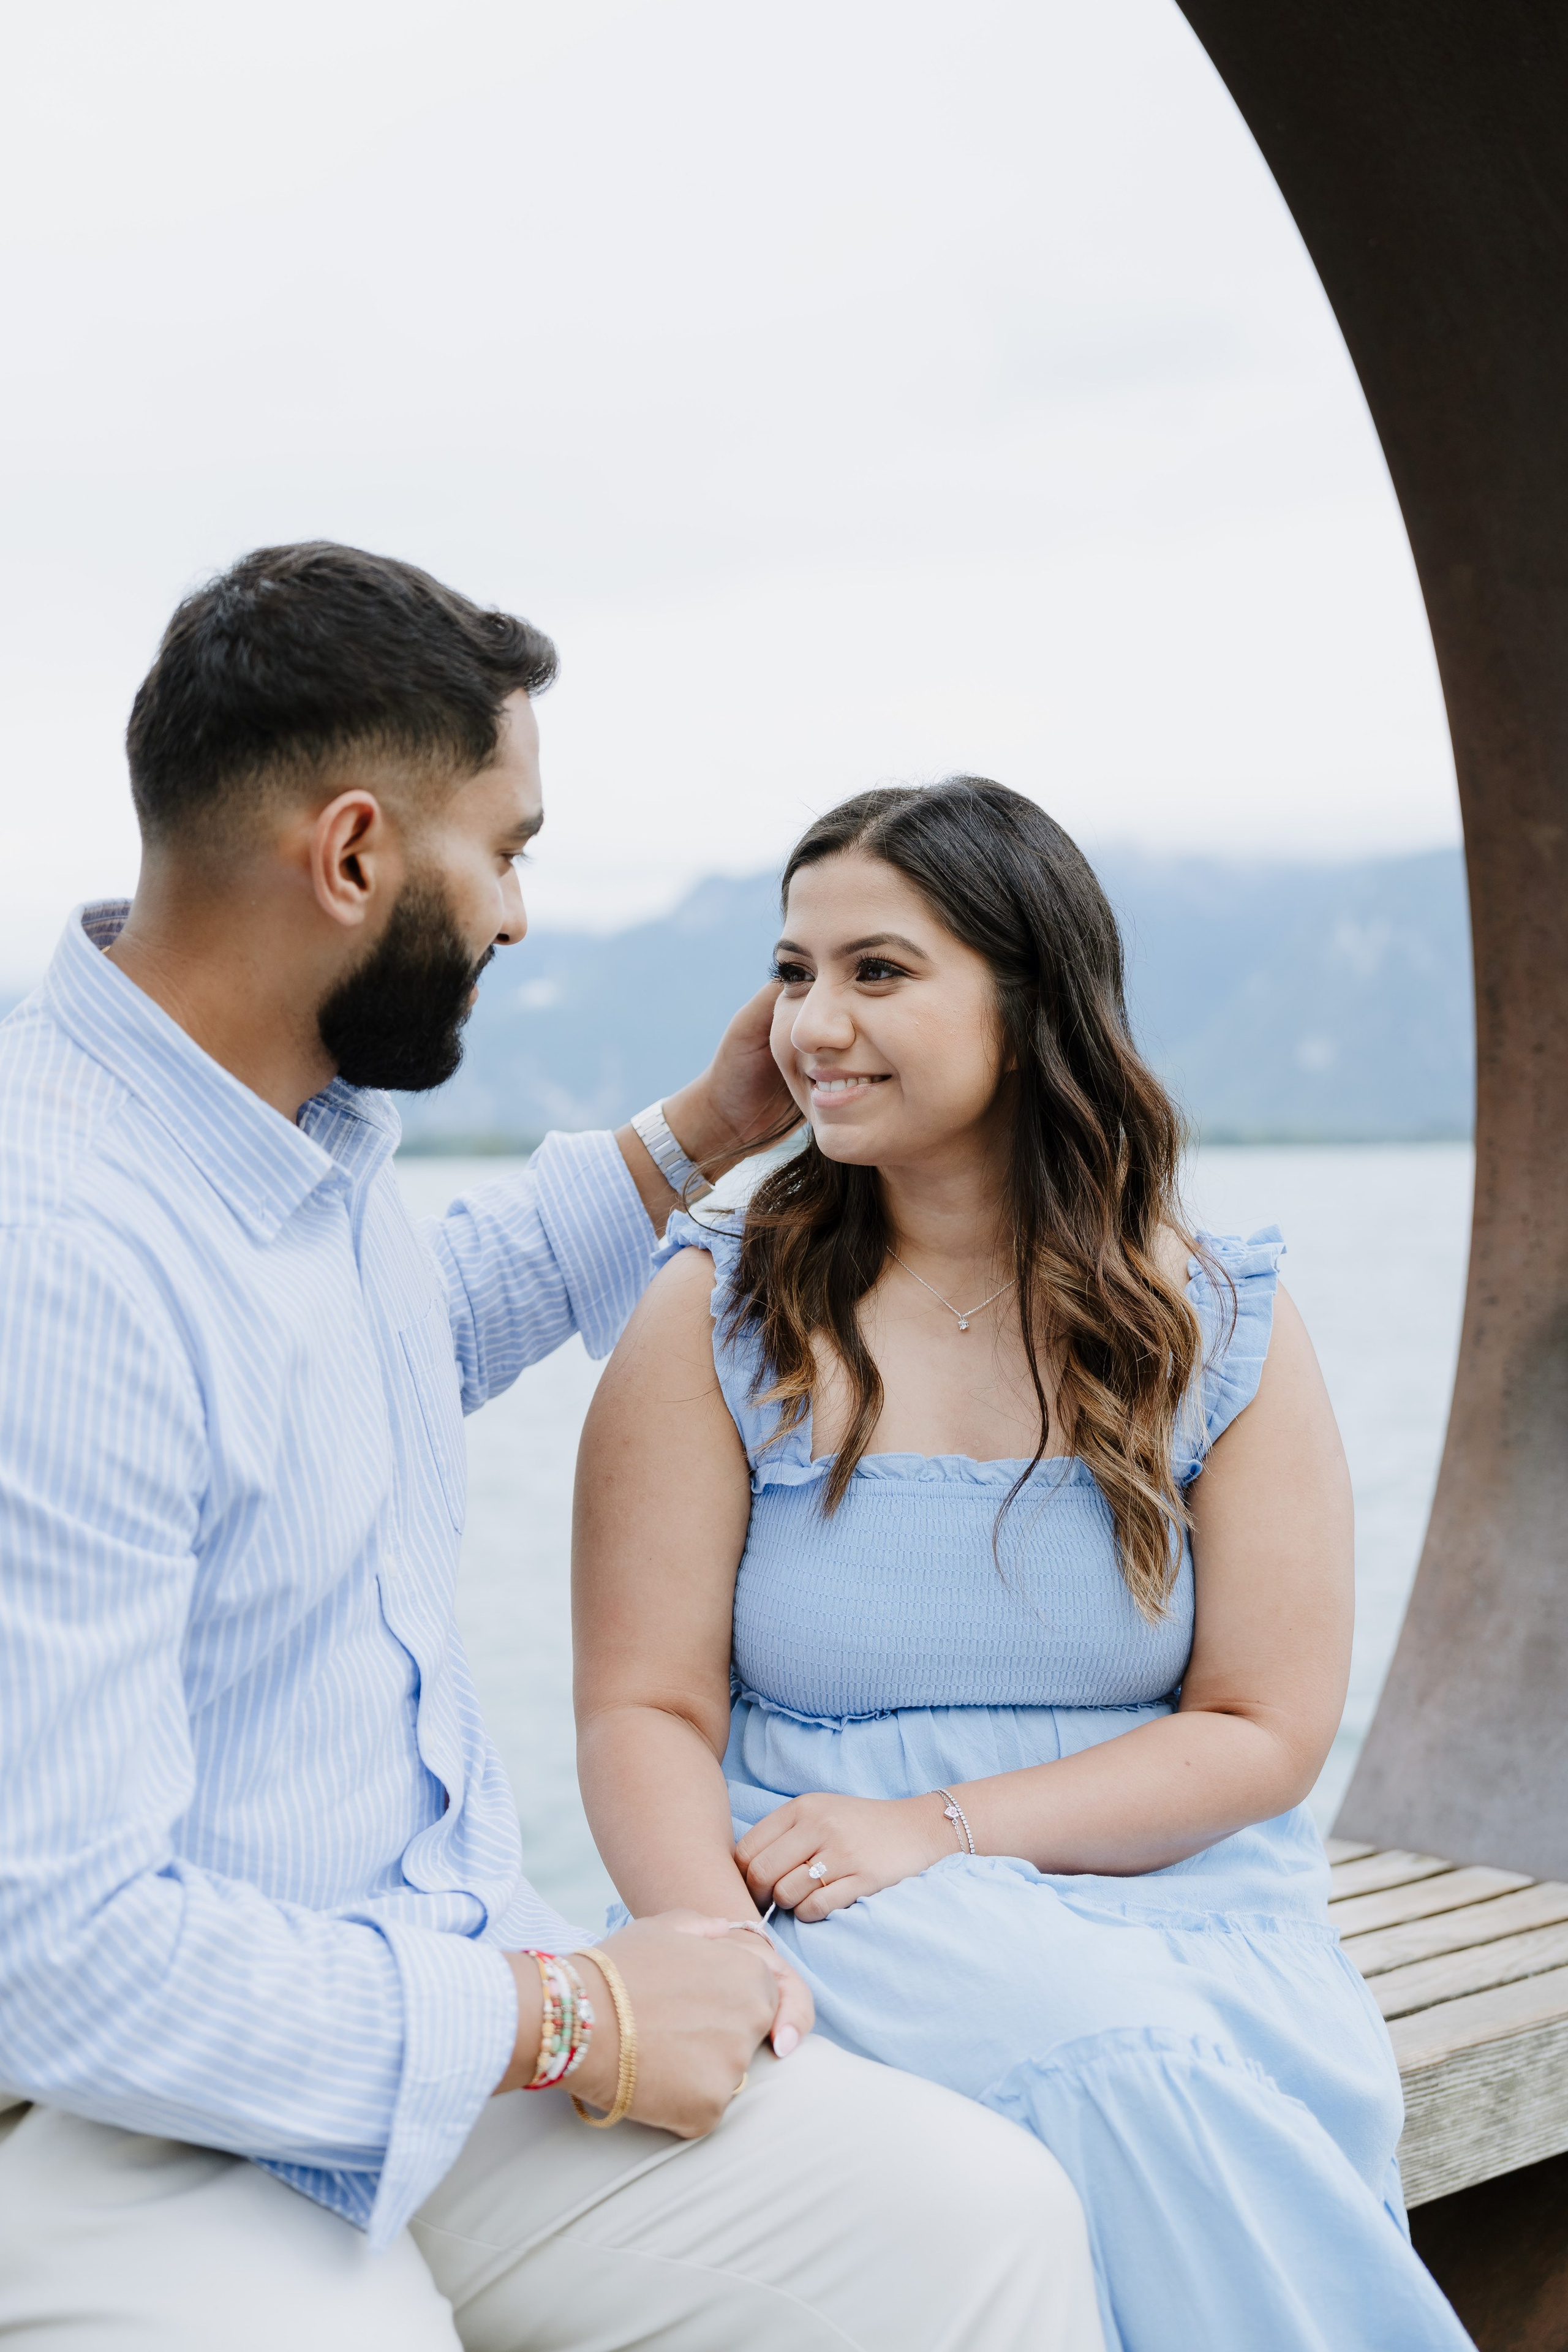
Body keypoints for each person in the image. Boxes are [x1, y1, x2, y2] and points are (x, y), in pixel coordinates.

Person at [0, 550, 1106, 2352]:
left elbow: (392, 1350)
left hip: (429, 2014)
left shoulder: (281, 1130)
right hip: (127, 2113)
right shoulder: (50, 1246)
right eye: (504, 848)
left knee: (977, 2228)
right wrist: (570, 2018)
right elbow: (61, 1956)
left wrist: (710, 1127)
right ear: (355, 856)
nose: (518, 914)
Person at [572, 778, 1477, 2352]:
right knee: (1109, 2065)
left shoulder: (1212, 1321)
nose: (813, 1023)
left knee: (1177, 2063)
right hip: (819, 1886)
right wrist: (711, 1946)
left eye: (878, 971)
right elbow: (640, 1706)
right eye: (793, 971)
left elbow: (1263, 1728)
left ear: (1028, 1000)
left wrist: (949, 1829)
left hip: (1173, 1889)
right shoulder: (713, 1315)